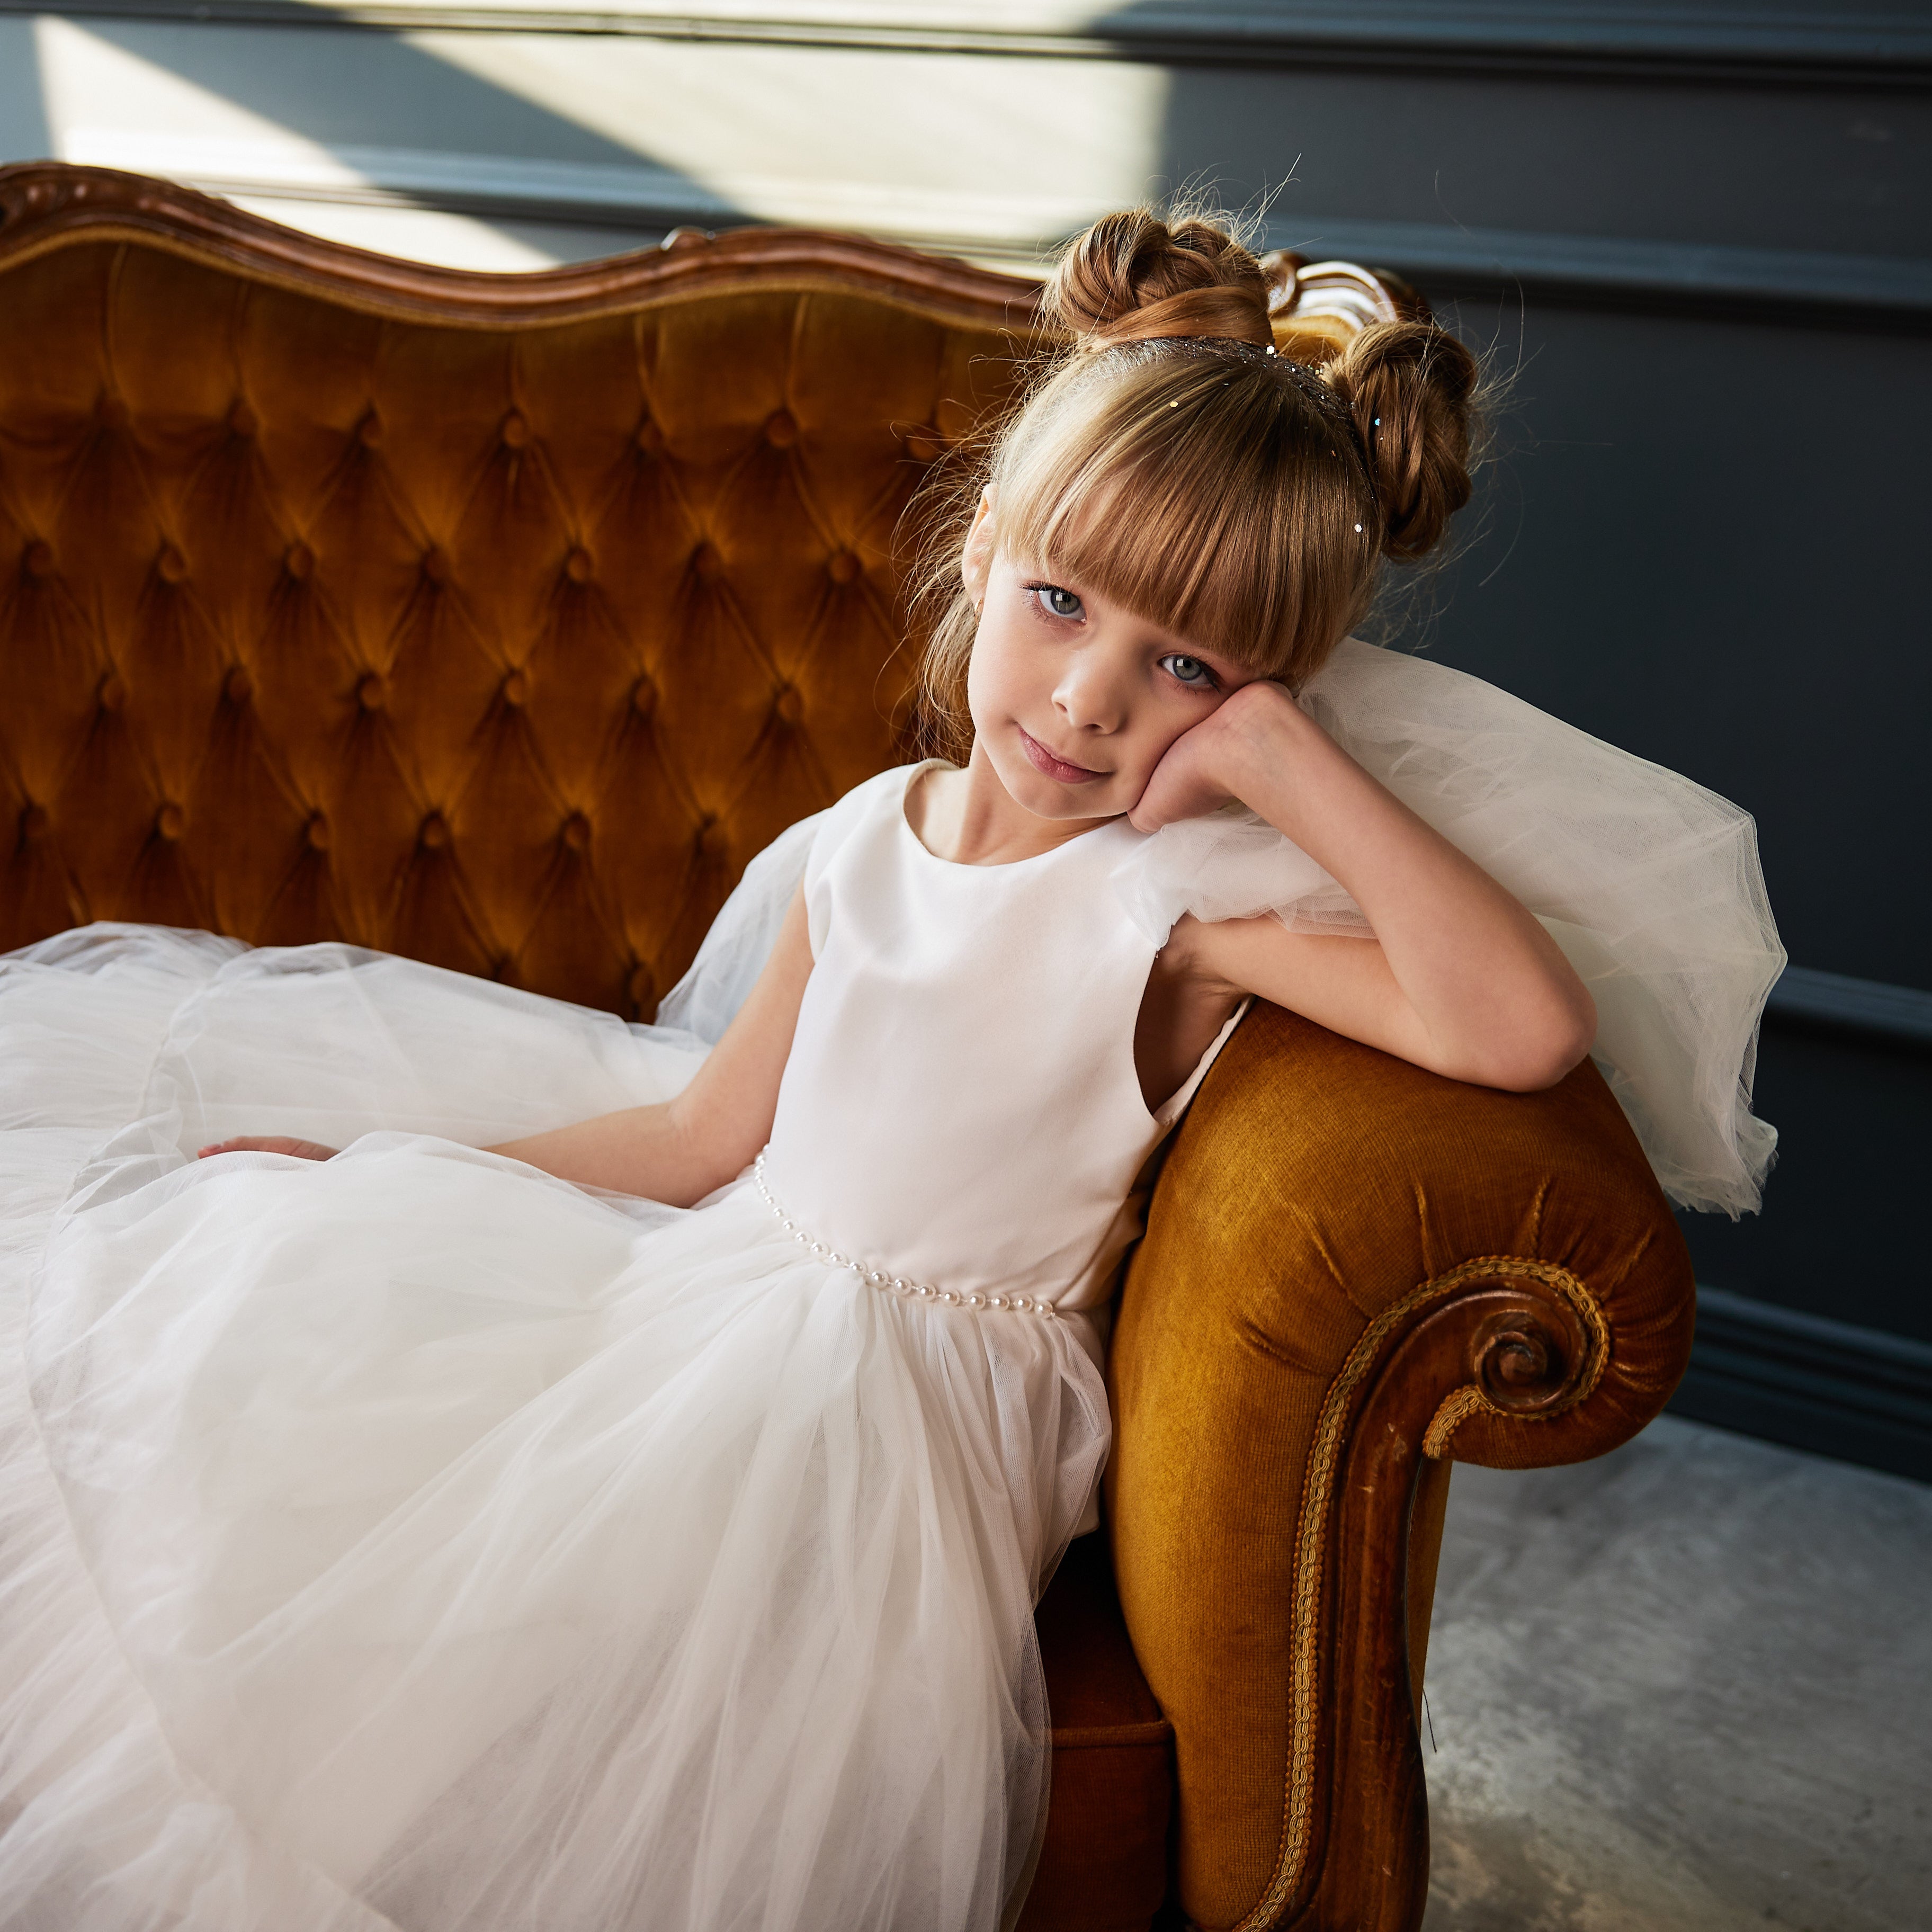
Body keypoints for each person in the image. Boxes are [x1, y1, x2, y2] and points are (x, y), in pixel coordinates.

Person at [0, 209, 1779, 1931]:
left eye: (1184, 668)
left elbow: (1518, 1029)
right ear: (983, 546)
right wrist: (375, 1168)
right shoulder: (865, 839)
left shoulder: (1171, 922)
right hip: (705, 1295)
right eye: (1061, 602)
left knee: (583, 1656)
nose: (1090, 703)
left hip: (887, 1427)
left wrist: (1287, 765)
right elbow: (703, 1131)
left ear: (1267, 697)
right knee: (273, 1384)